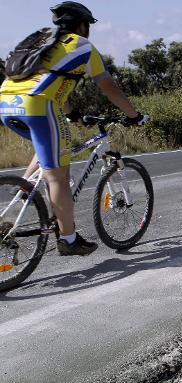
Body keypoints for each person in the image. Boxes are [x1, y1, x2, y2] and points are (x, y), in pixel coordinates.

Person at [0, 1, 148, 255]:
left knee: (48, 148)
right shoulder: (83, 46)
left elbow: (53, 83)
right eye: (88, 26)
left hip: (6, 102)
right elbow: (109, 87)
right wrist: (134, 115)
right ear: (82, 25)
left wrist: (74, 114)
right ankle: (68, 240)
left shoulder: (44, 42)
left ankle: (25, 192)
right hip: (37, 105)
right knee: (58, 176)